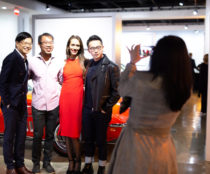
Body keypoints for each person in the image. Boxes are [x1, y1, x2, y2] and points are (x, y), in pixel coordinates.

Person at [107, 35, 192, 174]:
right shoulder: (183, 88)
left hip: (134, 144)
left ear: (157, 55)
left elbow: (122, 88)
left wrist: (132, 62)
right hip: (163, 147)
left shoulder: (141, 79)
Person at [81, 35, 120, 174]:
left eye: (98, 47)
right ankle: (87, 165)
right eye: (92, 48)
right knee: (88, 139)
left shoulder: (111, 67)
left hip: (101, 110)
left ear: (102, 47)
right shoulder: (88, 64)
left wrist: (106, 107)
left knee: (101, 140)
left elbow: (117, 91)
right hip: (87, 109)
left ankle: (102, 166)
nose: (95, 50)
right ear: (89, 50)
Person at [0, 32, 34, 174]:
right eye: (25, 43)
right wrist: (7, 102)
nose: (28, 46)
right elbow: (2, 82)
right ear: (17, 43)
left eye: (30, 43)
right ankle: (10, 167)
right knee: (9, 137)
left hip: (21, 104)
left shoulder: (25, 59)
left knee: (21, 136)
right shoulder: (11, 58)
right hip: (11, 105)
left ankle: (20, 165)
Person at [28, 33, 62, 173]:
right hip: (38, 105)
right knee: (37, 135)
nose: (49, 45)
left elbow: (62, 80)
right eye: (45, 42)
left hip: (54, 104)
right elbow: (25, 78)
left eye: (51, 42)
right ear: (40, 45)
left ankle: (47, 162)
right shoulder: (32, 61)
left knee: (49, 136)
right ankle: (36, 162)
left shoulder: (59, 62)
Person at [59, 35, 85, 174]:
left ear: (80, 48)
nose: (74, 48)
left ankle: (77, 161)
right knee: (66, 133)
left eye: (77, 45)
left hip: (77, 100)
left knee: (74, 133)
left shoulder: (84, 62)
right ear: (68, 46)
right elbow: (59, 79)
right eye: (72, 45)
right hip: (65, 99)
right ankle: (70, 160)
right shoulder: (63, 62)